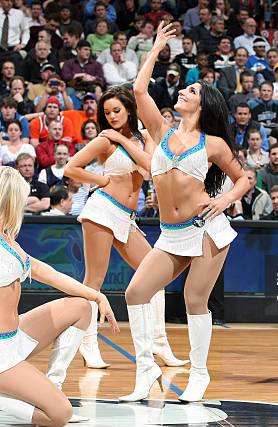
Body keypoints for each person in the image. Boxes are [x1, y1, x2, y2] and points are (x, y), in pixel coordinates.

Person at [0, 166, 118, 426]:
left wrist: (97, 296)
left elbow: (47, 272)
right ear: (7, 196)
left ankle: (53, 386)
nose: (24, 202)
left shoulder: (7, 238)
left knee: (81, 307)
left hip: (13, 338)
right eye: (21, 196)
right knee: (60, 415)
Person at [123, 21, 247, 403]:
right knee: (135, 292)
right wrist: (157, 48)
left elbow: (244, 179)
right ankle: (146, 372)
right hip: (170, 233)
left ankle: (199, 373)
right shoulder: (161, 130)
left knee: (195, 300)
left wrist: (224, 200)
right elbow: (138, 89)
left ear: (203, 103)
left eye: (191, 91)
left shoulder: (213, 145)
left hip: (206, 228)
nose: (182, 91)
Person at [65, 85, 189, 370]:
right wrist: (102, 181)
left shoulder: (143, 137)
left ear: (130, 110)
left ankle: (158, 343)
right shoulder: (104, 140)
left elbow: (151, 168)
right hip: (103, 210)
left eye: (116, 111)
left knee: (154, 277)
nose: (111, 117)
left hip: (127, 217)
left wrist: (124, 141)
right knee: (94, 282)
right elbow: (71, 168)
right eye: (107, 112)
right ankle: (88, 344)